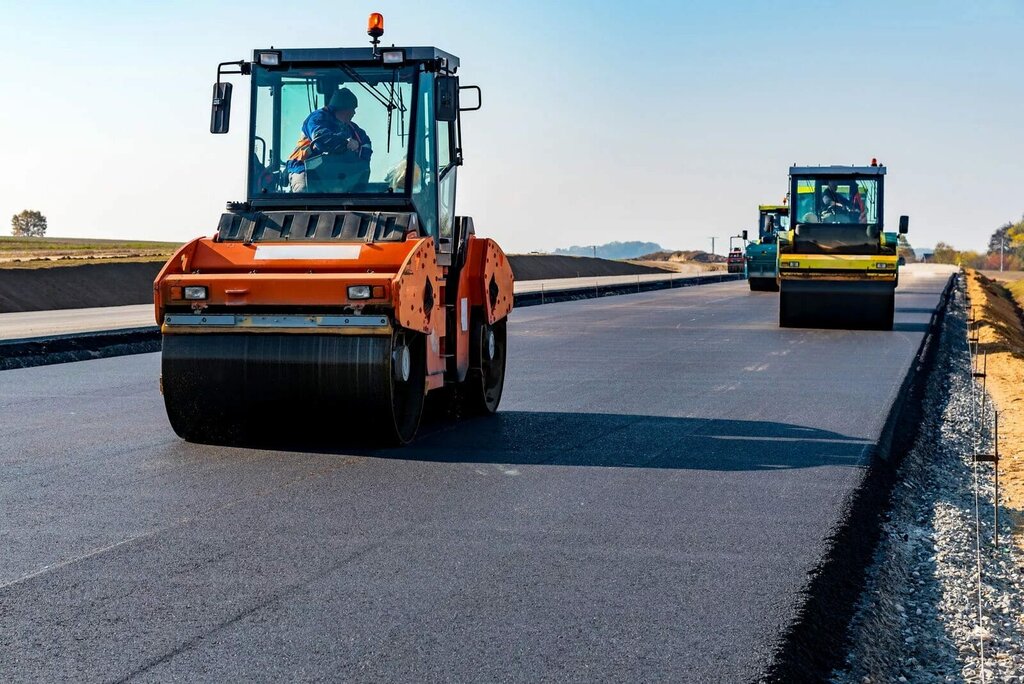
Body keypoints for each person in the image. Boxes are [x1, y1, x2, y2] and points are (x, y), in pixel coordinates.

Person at [286, 88, 372, 192]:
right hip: (304, 167)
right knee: (304, 191)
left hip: (334, 174)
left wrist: (358, 147)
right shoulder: (317, 119)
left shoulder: (351, 128)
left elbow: (366, 146)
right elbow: (321, 141)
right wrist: (346, 144)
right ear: (342, 108)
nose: (354, 113)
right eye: (352, 109)